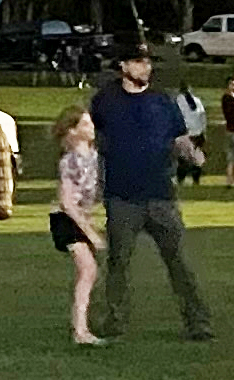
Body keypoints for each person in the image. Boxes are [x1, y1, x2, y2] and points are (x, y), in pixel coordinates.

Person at [87, 43, 212, 343]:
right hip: (122, 197)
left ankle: (198, 322)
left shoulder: (162, 101)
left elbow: (179, 138)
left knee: (179, 262)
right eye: (139, 62)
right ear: (124, 66)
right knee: (119, 263)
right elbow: (92, 140)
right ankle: (115, 320)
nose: (147, 68)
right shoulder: (105, 101)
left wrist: (193, 155)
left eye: (148, 63)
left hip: (161, 196)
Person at [50, 110, 105, 344]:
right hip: (66, 219)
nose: (91, 126)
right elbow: (67, 202)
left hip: (81, 217)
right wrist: (91, 233)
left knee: (90, 272)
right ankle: (80, 330)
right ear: (73, 131)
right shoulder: (69, 160)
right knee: (88, 270)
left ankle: (82, 327)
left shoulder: (94, 156)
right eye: (85, 123)